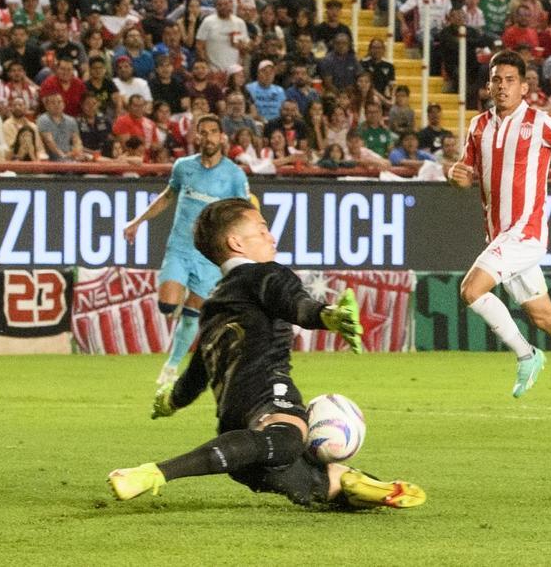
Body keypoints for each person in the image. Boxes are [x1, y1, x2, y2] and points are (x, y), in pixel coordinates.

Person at [108, 198, 425, 510]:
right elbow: (294, 303)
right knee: (287, 442)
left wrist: (171, 401)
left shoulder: (213, 306)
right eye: (261, 230)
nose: (270, 237)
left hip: (233, 425)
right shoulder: (264, 274)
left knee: (308, 483)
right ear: (236, 242)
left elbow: (197, 375)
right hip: (268, 395)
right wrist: (327, 314)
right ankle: (155, 473)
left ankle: (355, 482)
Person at [447, 50, 551, 415]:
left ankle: (527, 354)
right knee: (543, 316)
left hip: (525, 233)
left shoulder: (539, 122)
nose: (502, 86)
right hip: (499, 235)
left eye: (510, 80)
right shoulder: (478, 126)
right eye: (496, 80)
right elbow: (466, 170)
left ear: (524, 87)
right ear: (489, 86)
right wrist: (455, 176)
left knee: (470, 290)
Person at [123, 116, 250, 386]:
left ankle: (171, 366)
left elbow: (245, 212)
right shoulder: (183, 167)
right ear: (197, 137)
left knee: (192, 314)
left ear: (222, 137)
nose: (208, 138)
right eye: (203, 133)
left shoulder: (234, 175)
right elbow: (168, 195)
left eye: (213, 132)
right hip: (180, 247)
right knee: (167, 304)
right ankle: (186, 309)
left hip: (209, 256)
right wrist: (137, 221)